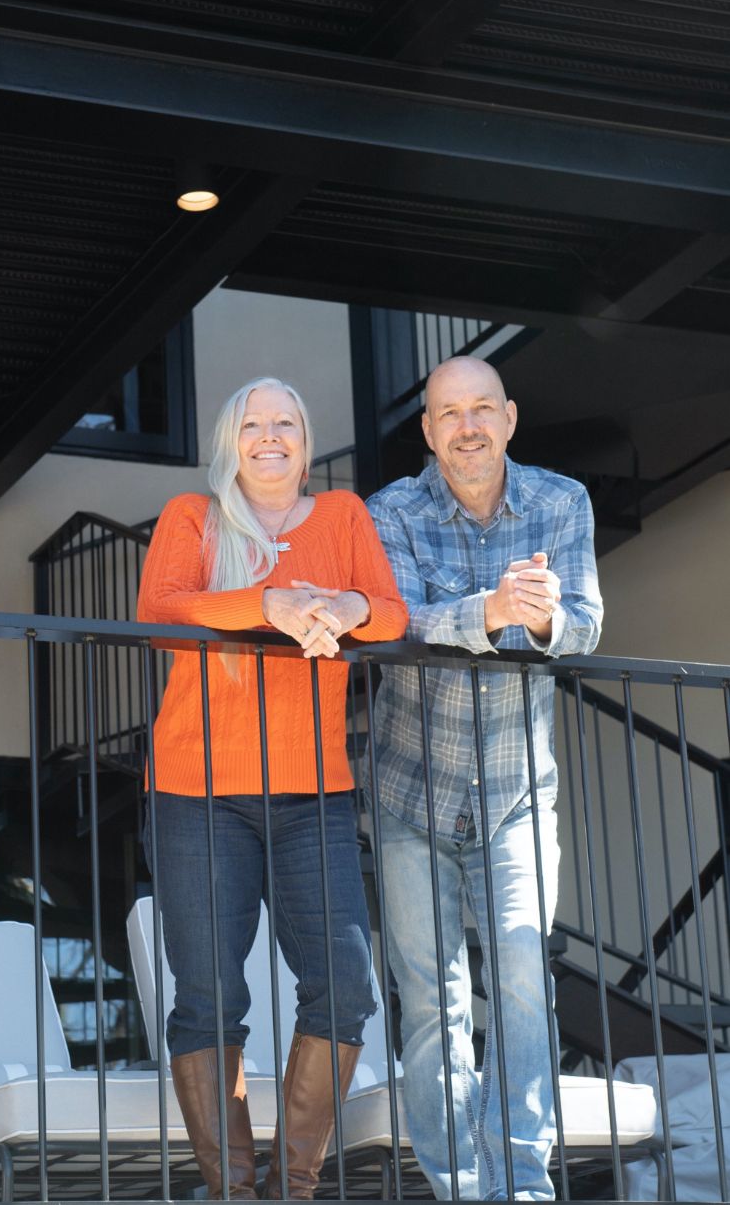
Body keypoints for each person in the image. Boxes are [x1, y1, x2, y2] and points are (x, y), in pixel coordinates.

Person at [137, 376, 407, 1201]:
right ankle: (234, 1191)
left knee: (346, 986)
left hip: (313, 793)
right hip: (197, 789)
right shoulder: (195, 517)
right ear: (231, 440)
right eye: (251, 424)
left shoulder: (344, 517)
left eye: (285, 422)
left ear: (304, 436)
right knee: (209, 994)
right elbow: (161, 609)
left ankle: (292, 1186)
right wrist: (272, 604)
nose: (269, 436)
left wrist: (345, 604)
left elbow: (392, 615)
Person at [366, 356, 603, 1200]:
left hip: (515, 796)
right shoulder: (388, 512)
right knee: (433, 1006)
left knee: (523, 988)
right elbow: (392, 626)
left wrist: (542, 620)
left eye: (480, 410)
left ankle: (525, 1190)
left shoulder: (560, 501)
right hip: (409, 794)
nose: (465, 426)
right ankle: (462, 1189)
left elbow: (585, 623)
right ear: (427, 432)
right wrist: (492, 612)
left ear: (508, 418)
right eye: (446, 413)